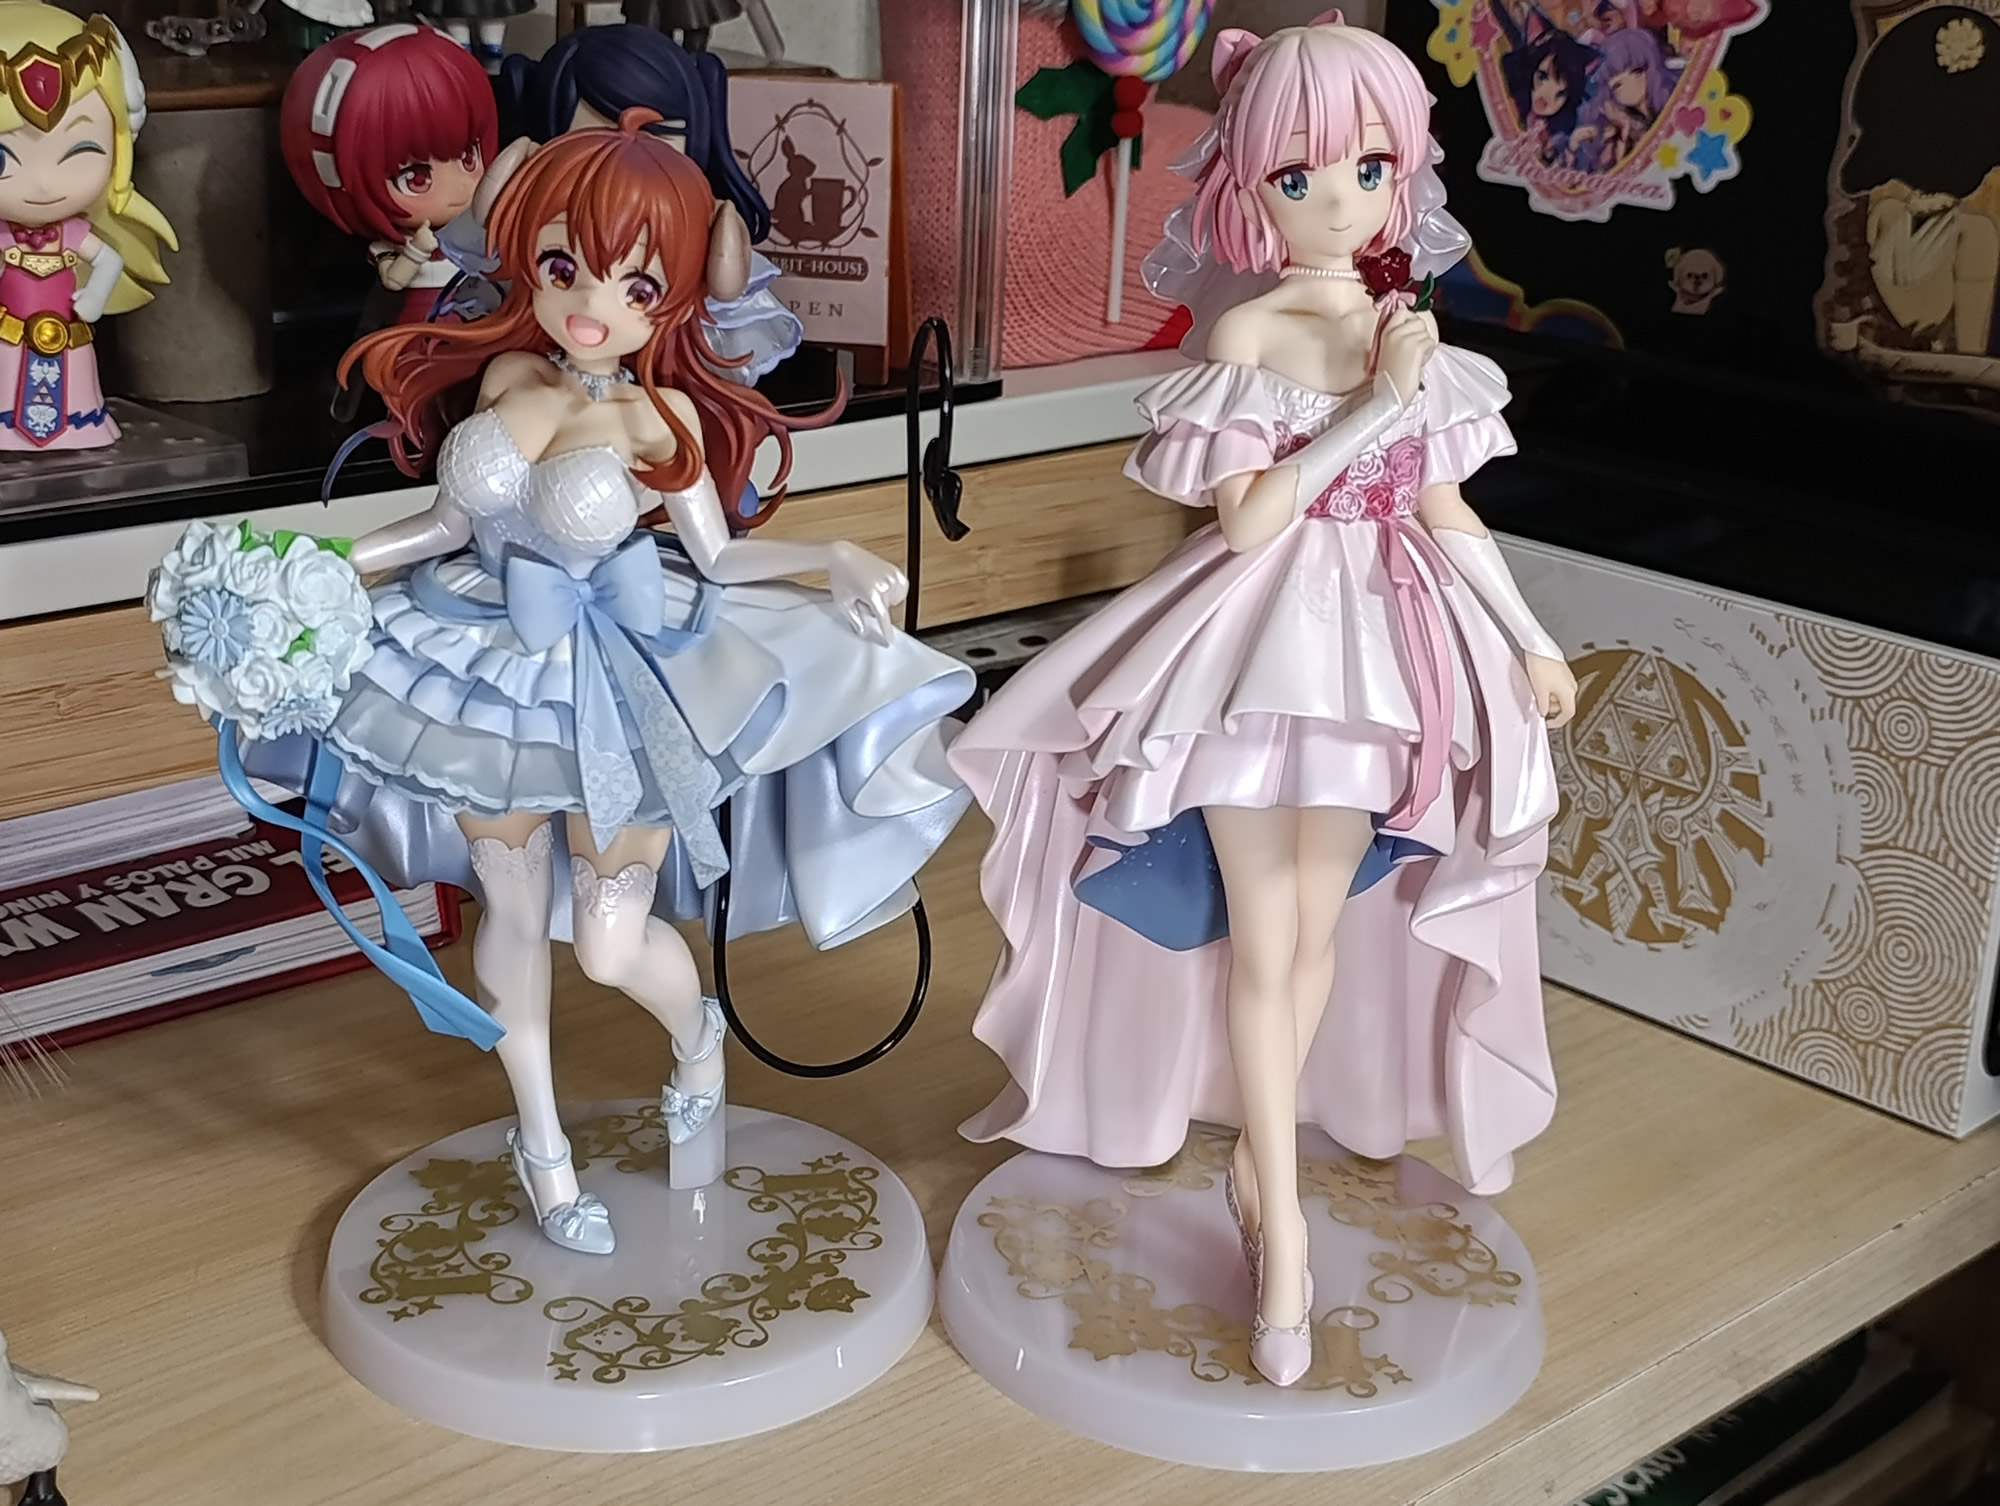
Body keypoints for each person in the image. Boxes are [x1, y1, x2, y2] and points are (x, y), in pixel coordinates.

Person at [206, 115, 974, 1254]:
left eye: (637, 284)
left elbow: (718, 556)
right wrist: (310, 570)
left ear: (678, 300)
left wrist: (831, 556)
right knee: (509, 912)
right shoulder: (508, 373)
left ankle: (696, 1034)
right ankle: (545, 1149)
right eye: (565, 266)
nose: (591, 304)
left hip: (615, 674)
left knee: (610, 942)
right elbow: (441, 526)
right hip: (479, 659)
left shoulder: (660, 417)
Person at [946, 16, 1573, 1388]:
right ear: (1251, 185)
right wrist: (1373, 406)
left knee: (1311, 934)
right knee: (1266, 933)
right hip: (1251, 656)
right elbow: (1246, 521)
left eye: (1366, 169)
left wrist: (1529, 639)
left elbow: (1447, 509)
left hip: (1381, 661)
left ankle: (1257, 1177)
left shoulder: (1410, 335)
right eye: (1298, 177)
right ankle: (1280, 1227)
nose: (1336, 203)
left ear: (1404, 171)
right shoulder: (1251, 331)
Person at [0, 6, 174, 450]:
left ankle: (81, 424)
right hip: (8, 334)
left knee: (76, 381)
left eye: (80, 150)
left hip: (67, 332)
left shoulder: (73, 234)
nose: (43, 183)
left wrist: (95, 296)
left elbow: (109, 260)